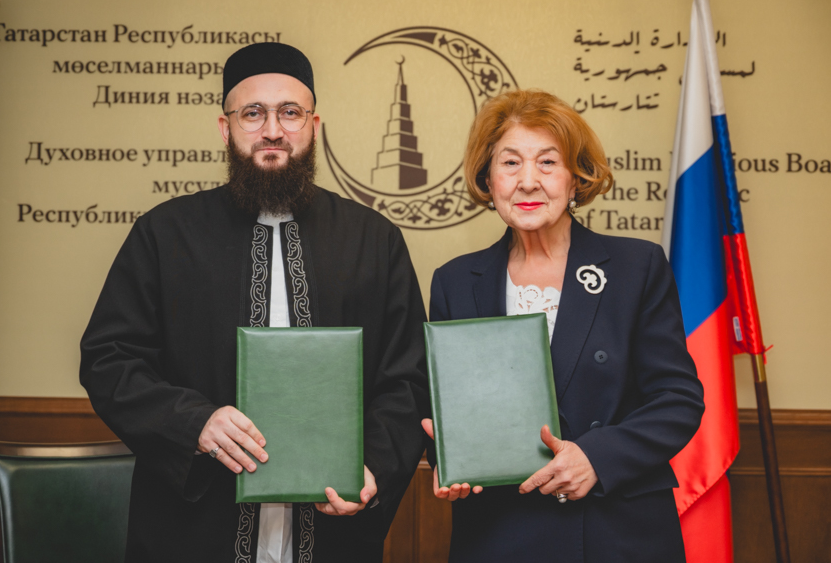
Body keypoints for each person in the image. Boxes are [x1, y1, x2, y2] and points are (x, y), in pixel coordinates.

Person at [80, 42, 428, 563]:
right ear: (226, 128)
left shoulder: (373, 240)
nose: (272, 130)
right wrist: (194, 422)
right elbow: (109, 360)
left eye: (290, 112)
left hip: (332, 529)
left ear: (313, 126)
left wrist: (373, 467)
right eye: (253, 113)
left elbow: (407, 380)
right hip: (193, 530)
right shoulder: (165, 234)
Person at [423, 89, 705, 562]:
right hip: (498, 535)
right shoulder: (454, 281)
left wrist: (598, 456)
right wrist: (447, 460)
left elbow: (678, 400)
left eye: (548, 163)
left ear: (576, 178)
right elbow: (450, 409)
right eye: (510, 163)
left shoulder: (637, 267)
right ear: (488, 180)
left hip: (616, 532)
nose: (527, 181)